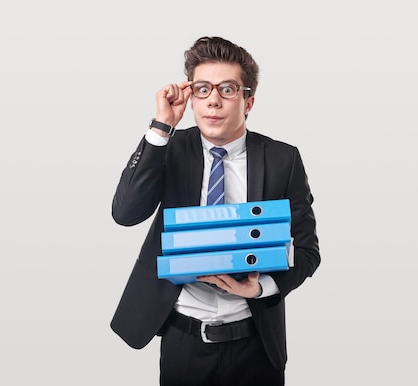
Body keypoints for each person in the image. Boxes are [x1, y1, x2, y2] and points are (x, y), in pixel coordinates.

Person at [110, 36, 321, 385]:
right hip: (183, 342)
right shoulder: (170, 149)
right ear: (191, 98)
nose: (214, 101)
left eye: (227, 89)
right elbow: (126, 212)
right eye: (203, 89)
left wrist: (258, 288)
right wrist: (161, 127)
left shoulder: (283, 160)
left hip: (255, 343)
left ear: (248, 101)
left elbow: (308, 251)